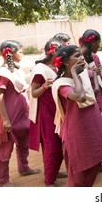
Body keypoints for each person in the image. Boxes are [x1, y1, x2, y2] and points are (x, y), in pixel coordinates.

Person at [51, 45, 102, 186]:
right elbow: (80, 97)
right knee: (78, 179)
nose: (81, 59)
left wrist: (93, 76)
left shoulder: (82, 76)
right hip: (77, 135)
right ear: (66, 62)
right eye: (77, 56)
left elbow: (95, 89)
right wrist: (74, 73)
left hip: (89, 131)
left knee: (91, 171)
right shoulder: (62, 85)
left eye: (81, 55)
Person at [0, 40, 40, 187]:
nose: (22, 54)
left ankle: (24, 168)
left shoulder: (15, 70)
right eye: (20, 51)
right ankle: (3, 180)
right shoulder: (4, 73)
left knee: (23, 144)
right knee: (5, 149)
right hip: (10, 117)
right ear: (10, 53)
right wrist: (5, 119)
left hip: (22, 116)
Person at [28, 39, 66, 186]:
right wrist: (44, 86)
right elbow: (34, 93)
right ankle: (49, 181)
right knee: (51, 147)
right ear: (52, 51)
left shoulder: (57, 67)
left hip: (57, 110)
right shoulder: (40, 70)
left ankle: (54, 172)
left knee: (60, 144)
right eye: (60, 50)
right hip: (46, 114)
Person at [79, 29, 102, 174]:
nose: (99, 47)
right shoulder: (77, 57)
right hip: (84, 99)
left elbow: (99, 77)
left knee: (96, 130)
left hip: (96, 97)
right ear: (93, 42)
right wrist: (92, 73)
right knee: (86, 132)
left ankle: (96, 163)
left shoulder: (94, 57)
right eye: (98, 43)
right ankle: (88, 164)